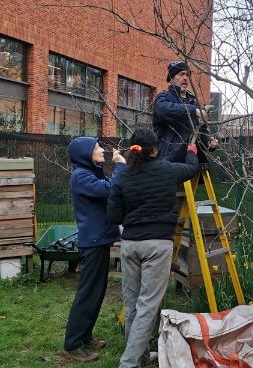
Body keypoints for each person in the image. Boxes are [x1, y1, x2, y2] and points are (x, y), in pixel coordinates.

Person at [107, 128, 199, 368]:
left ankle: (140, 356)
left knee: (132, 302)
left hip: (130, 245)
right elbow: (191, 169)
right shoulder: (165, 169)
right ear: (155, 150)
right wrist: (191, 151)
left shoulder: (123, 176)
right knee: (148, 305)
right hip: (157, 245)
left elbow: (114, 214)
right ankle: (128, 363)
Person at [63, 137, 126, 362]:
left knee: (97, 292)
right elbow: (109, 189)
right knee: (88, 294)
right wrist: (119, 165)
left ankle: (85, 336)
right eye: (97, 147)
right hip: (92, 242)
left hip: (99, 240)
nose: (101, 150)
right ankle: (72, 345)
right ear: (85, 153)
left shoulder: (89, 172)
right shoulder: (80, 177)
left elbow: (108, 186)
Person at [152, 60, 218, 165]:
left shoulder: (193, 103)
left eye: (187, 74)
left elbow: (201, 130)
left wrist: (208, 140)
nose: (185, 78)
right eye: (181, 74)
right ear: (171, 78)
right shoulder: (164, 97)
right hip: (168, 162)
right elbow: (163, 110)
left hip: (191, 161)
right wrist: (192, 110)